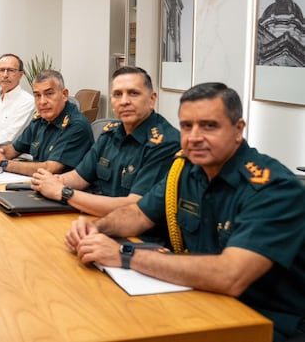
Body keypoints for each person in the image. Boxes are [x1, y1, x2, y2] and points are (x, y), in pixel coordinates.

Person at [65, 83, 305, 342]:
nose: (195, 137)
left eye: (209, 126)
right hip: (197, 298)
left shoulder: (273, 189)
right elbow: (137, 215)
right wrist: (96, 229)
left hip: (263, 323)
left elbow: (230, 276)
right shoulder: (186, 171)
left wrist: (123, 255)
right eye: (187, 126)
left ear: (238, 130)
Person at [31, 66, 180, 216]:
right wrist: (52, 181)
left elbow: (134, 207)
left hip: (136, 233)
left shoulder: (164, 143)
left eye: (133, 93)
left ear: (152, 99)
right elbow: (79, 176)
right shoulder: (110, 133)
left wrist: (64, 193)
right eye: (117, 94)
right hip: (97, 217)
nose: (124, 101)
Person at [0, 69, 93, 175]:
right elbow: (14, 149)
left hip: (64, 190)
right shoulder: (40, 119)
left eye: (49, 94)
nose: (42, 101)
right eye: (37, 95)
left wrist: (3, 163)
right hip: (38, 184)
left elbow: (50, 168)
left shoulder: (76, 125)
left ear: (64, 95)